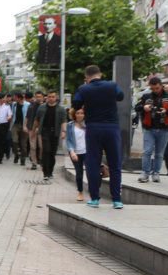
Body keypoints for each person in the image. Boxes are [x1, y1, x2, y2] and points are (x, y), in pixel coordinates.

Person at [72, 65, 125, 208]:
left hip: (93, 129)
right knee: (115, 164)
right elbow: (121, 96)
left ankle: (95, 199)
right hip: (112, 128)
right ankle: (116, 200)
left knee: (93, 164)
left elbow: (76, 104)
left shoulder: (84, 89)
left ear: (87, 76)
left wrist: (85, 88)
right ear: (100, 74)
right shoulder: (112, 85)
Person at [134, 76, 168, 183]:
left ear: (161, 86)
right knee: (147, 151)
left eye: (157, 88)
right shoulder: (146, 96)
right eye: (152, 88)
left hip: (164, 129)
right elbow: (137, 107)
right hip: (149, 128)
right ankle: (145, 173)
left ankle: (156, 173)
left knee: (159, 153)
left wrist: (166, 111)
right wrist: (144, 107)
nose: (155, 90)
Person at [33, 90, 67, 182]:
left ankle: (50, 172)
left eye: (53, 96)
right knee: (46, 151)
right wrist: (33, 130)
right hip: (44, 132)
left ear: (56, 98)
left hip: (55, 133)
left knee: (52, 153)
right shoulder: (42, 108)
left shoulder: (61, 109)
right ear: (46, 98)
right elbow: (37, 120)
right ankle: (45, 173)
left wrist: (64, 131)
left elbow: (64, 121)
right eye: (49, 97)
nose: (51, 98)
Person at [64, 108, 87, 201]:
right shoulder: (70, 125)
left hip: (87, 152)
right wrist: (72, 151)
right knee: (79, 173)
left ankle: (94, 191)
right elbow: (68, 140)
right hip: (75, 153)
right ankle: (80, 192)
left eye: (82, 113)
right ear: (74, 114)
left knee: (91, 172)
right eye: (78, 113)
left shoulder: (88, 124)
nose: (80, 115)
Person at [10, 93, 30, 166]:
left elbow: (29, 115)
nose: (14, 98)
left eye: (15, 97)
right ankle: (16, 154)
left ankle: (23, 159)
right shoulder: (14, 104)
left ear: (19, 98)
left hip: (25, 125)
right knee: (14, 141)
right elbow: (12, 114)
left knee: (23, 144)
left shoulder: (27, 104)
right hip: (16, 125)